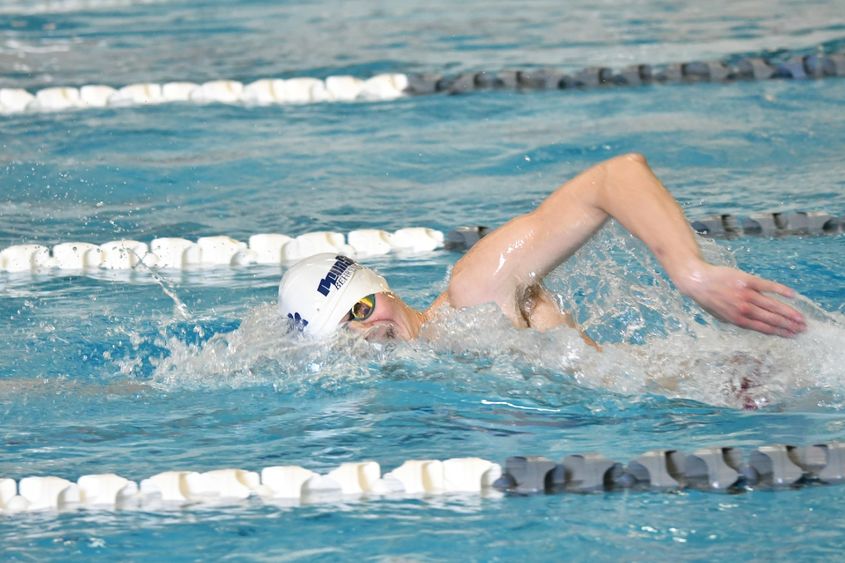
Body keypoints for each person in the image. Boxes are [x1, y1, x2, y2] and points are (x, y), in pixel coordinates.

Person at [278, 153, 807, 342]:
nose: (364, 330)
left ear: (381, 289)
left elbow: (614, 178)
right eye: (340, 331)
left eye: (361, 308)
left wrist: (691, 273)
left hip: (720, 389)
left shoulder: (474, 295)